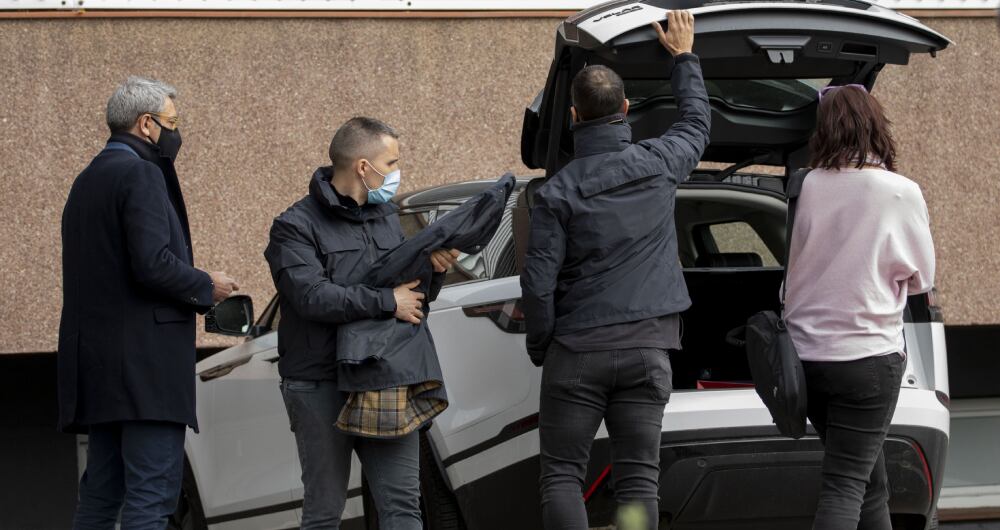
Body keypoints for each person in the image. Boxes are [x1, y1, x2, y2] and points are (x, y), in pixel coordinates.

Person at [520, 11, 710, 530]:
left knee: (561, 476)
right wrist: (684, 59)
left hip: (578, 352)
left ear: (575, 117)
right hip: (649, 351)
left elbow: (537, 282)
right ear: (625, 110)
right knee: (638, 480)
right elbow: (696, 123)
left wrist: (543, 346)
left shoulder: (556, 192)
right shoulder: (661, 161)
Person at [58, 76, 240, 529]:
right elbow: (153, 263)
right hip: (145, 371)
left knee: (100, 495)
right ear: (146, 124)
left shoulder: (87, 180)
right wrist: (206, 284)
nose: (177, 132)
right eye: (172, 122)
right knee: (151, 497)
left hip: (98, 369)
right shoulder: (140, 172)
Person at [264, 117, 459, 530]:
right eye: (391, 162)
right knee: (324, 511)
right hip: (319, 381)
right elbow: (311, 297)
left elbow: (411, 295)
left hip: (384, 374)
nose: (396, 172)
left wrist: (434, 270)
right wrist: (386, 300)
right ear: (363, 167)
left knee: (404, 504)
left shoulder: (387, 215)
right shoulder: (293, 227)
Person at [783, 84, 936, 530]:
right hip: (866, 359)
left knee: (870, 483)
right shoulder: (899, 191)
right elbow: (921, 278)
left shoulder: (806, 184)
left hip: (807, 359)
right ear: (874, 124)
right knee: (845, 484)